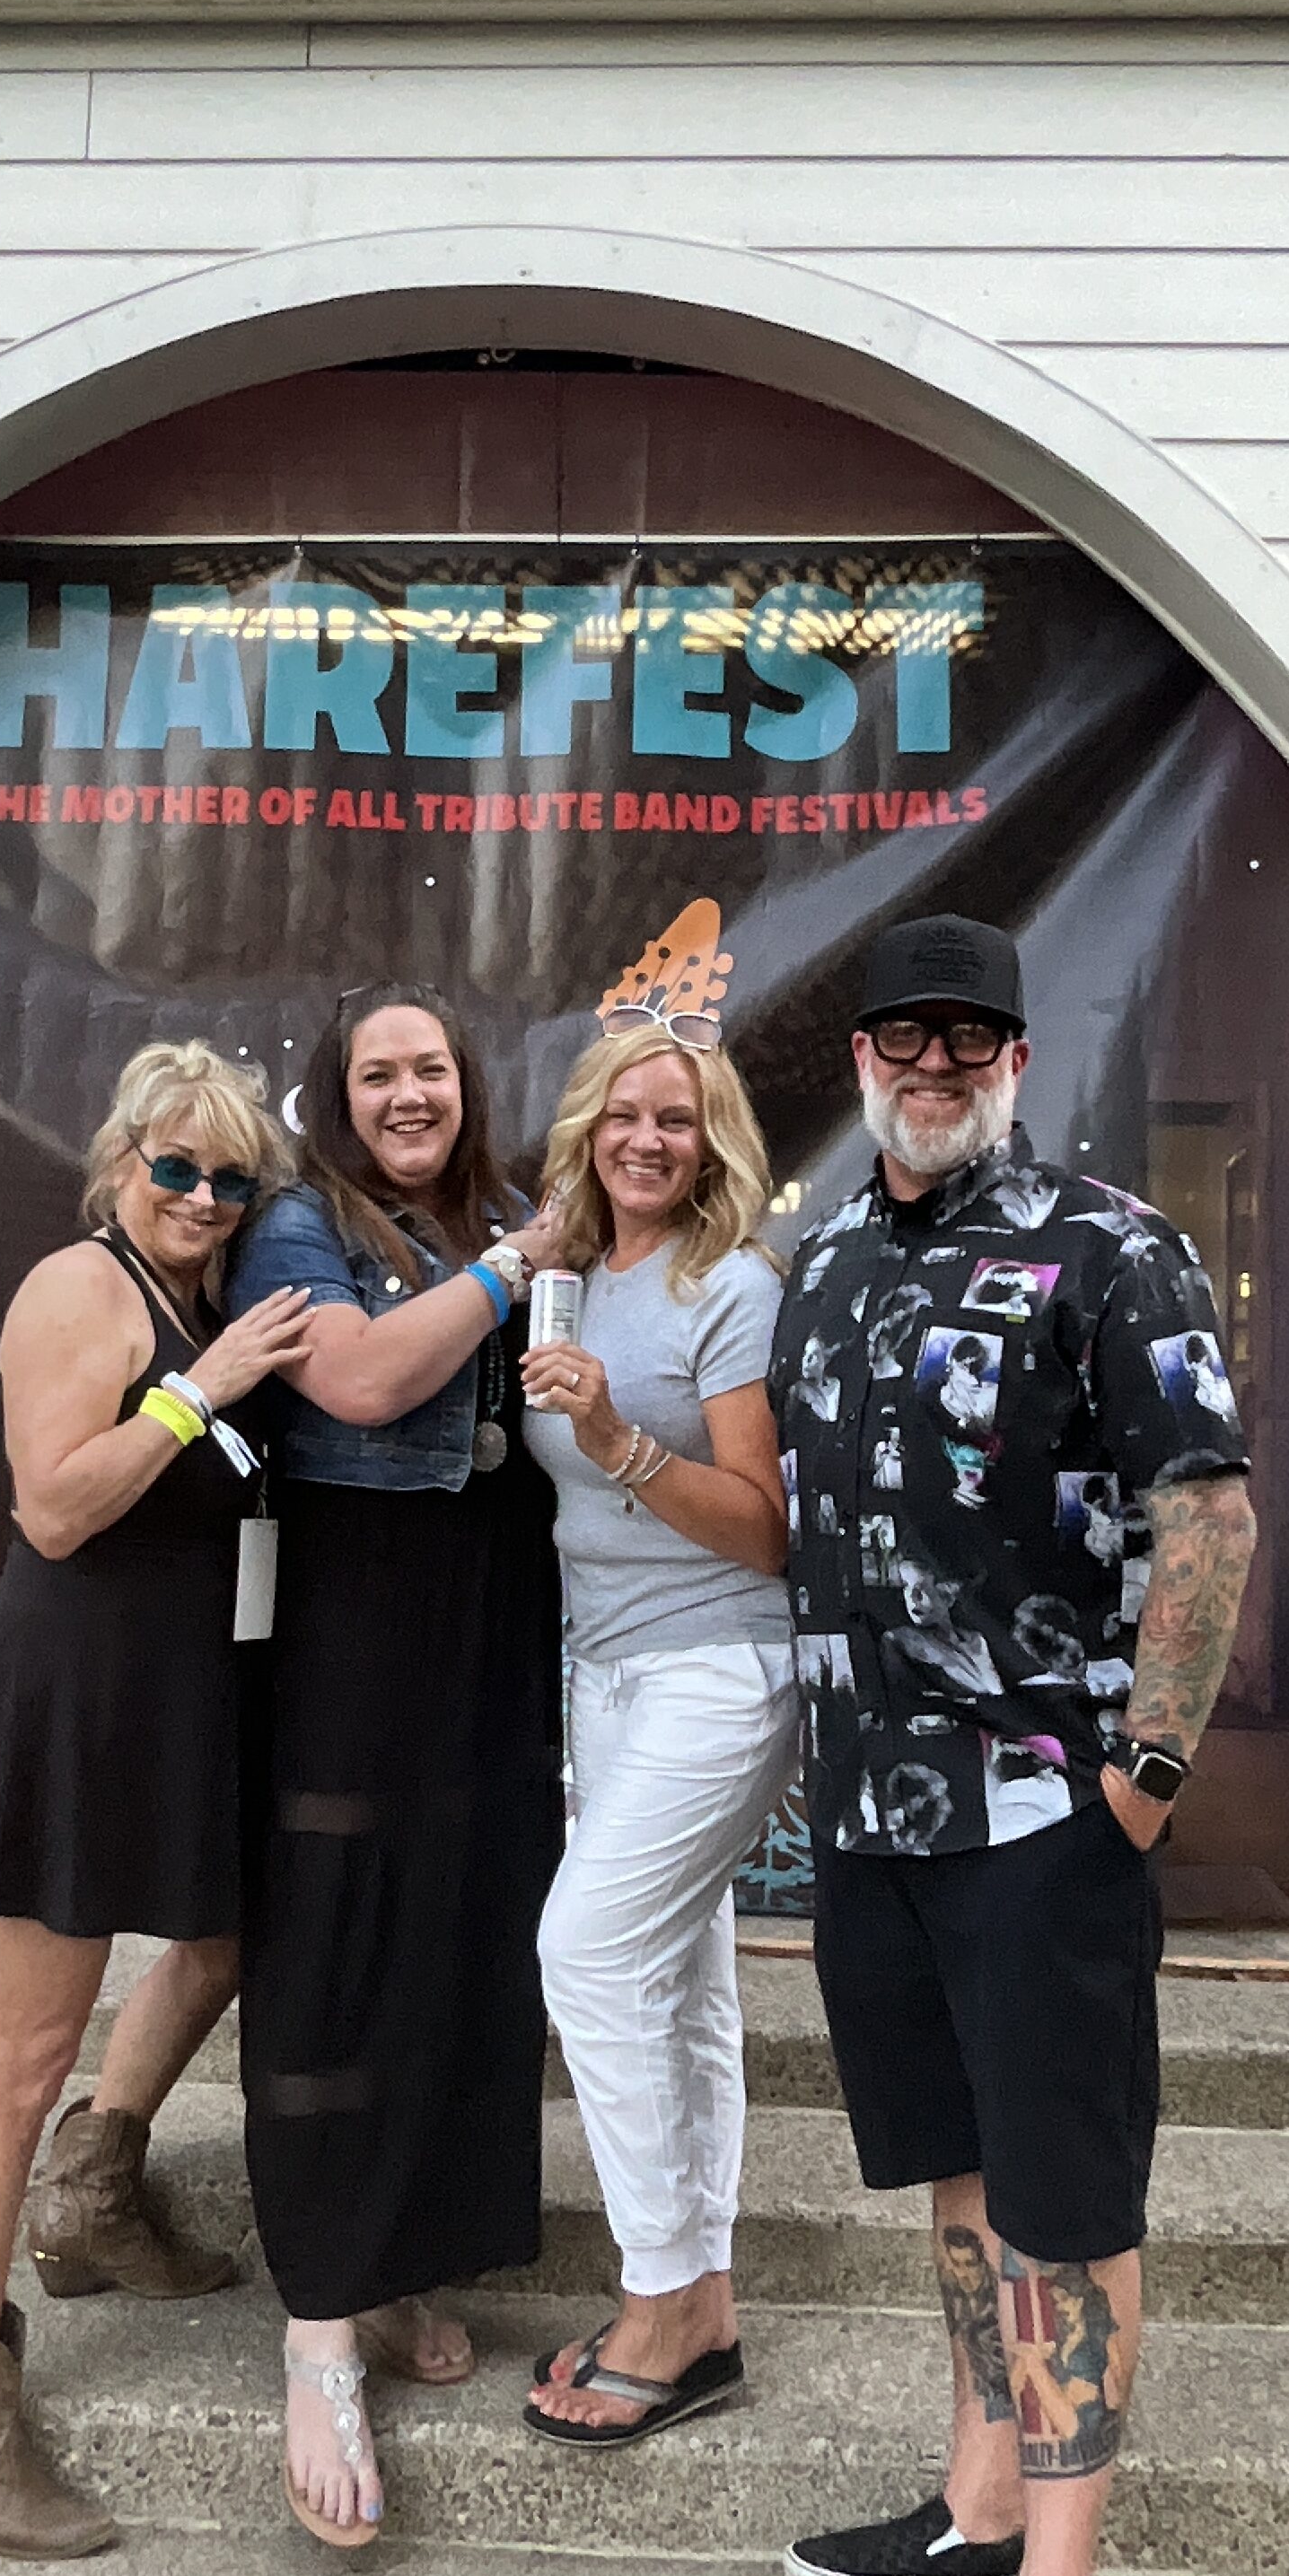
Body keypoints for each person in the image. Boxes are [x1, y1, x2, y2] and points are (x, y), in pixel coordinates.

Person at [769, 916, 1258, 2576]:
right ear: (861, 1058)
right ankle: (977, 2513)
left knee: (1063, 2203)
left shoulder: (1115, 1251)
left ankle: (1059, 2568)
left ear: (1018, 1058)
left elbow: (1207, 1516)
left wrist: (1147, 1777)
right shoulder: (826, 1261)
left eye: (969, 1037)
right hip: (873, 1821)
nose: (936, 1066)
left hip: (1048, 1816)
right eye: (905, 1036)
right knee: (966, 2186)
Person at [0, 1042, 311, 2560]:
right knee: (11, 2067)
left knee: (227, 1938)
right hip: (71, 1703)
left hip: (184, 1704)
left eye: (231, 1179)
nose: (201, 1198)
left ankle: (95, 2190)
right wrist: (200, 1394)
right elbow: (55, 1506)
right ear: (120, 1165)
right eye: (174, 1168)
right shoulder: (85, 1289)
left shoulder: (206, 1303)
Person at [224, 979, 571, 2551]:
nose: (410, 1095)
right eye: (378, 1074)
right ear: (337, 1094)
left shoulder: (499, 1209)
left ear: (464, 1083)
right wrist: (517, 1267)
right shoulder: (302, 1226)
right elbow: (363, 1382)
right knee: (342, 1941)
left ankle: (408, 2256)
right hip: (356, 1614)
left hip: (490, 1608)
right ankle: (320, 2327)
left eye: (431, 1068)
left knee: (464, 1934)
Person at [514, 1022, 796, 2449]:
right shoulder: (570, 1279)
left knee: (587, 1949)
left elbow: (765, 1529)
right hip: (607, 1678)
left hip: (718, 1670)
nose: (645, 1139)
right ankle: (708, 2304)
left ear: (710, 1142)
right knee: (681, 1984)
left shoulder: (728, 1284)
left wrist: (623, 1441)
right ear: (585, 1129)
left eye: (674, 1120)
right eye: (621, 1114)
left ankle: (659, 2296)